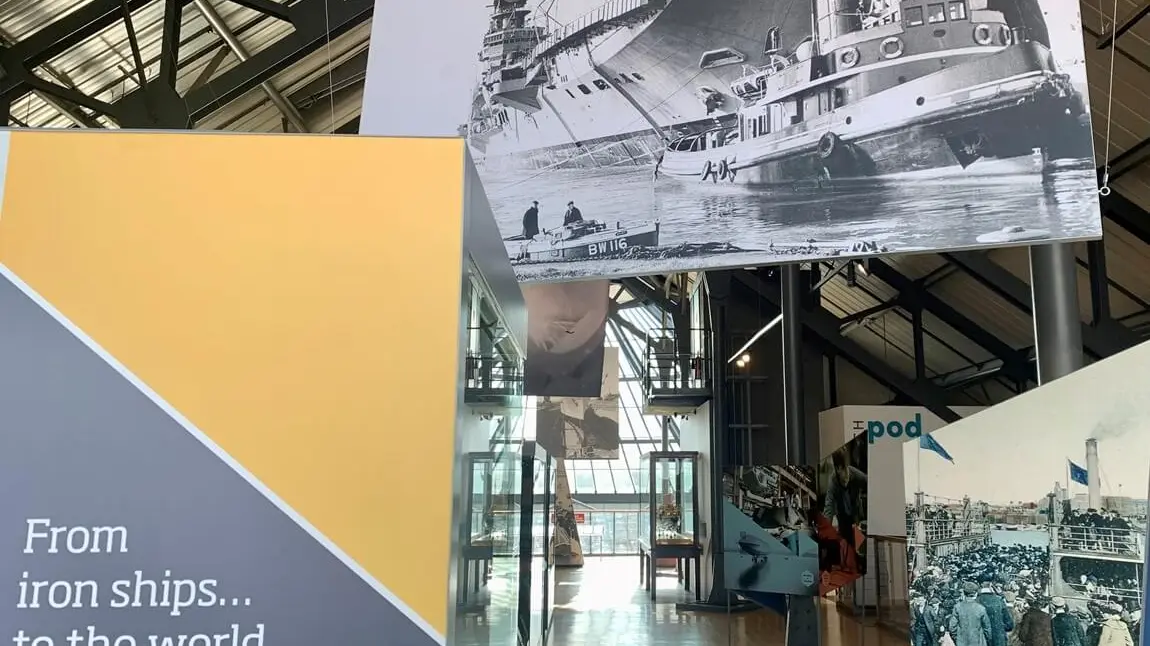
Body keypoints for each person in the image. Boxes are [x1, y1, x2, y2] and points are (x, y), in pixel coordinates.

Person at [950, 581, 993, 646]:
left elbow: (952, 627)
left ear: (964, 593)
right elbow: (987, 628)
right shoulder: (981, 608)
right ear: (975, 594)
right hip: (978, 642)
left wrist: (958, 638)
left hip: (961, 642)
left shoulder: (957, 607)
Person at [977, 578, 1015, 646]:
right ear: (990, 585)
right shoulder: (999, 600)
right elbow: (1009, 624)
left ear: (980, 585)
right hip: (999, 639)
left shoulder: (977, 601)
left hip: (982, 640)